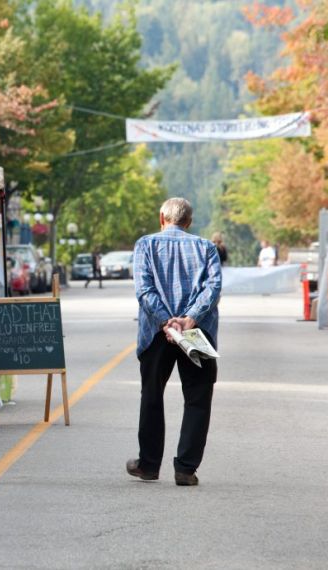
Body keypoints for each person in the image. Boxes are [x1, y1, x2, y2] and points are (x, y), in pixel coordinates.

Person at [127, 197, 222, 486]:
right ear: (189, 221)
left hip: (157, 332)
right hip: (198, 333)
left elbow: (144, 289)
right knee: (197, 399)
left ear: (161, 218)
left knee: (152, 396)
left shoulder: (145, 244)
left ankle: (149, 465)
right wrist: (189, 320)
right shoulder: (206, 247)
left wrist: (166, 321)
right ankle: (185, 468)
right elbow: (213, 287)